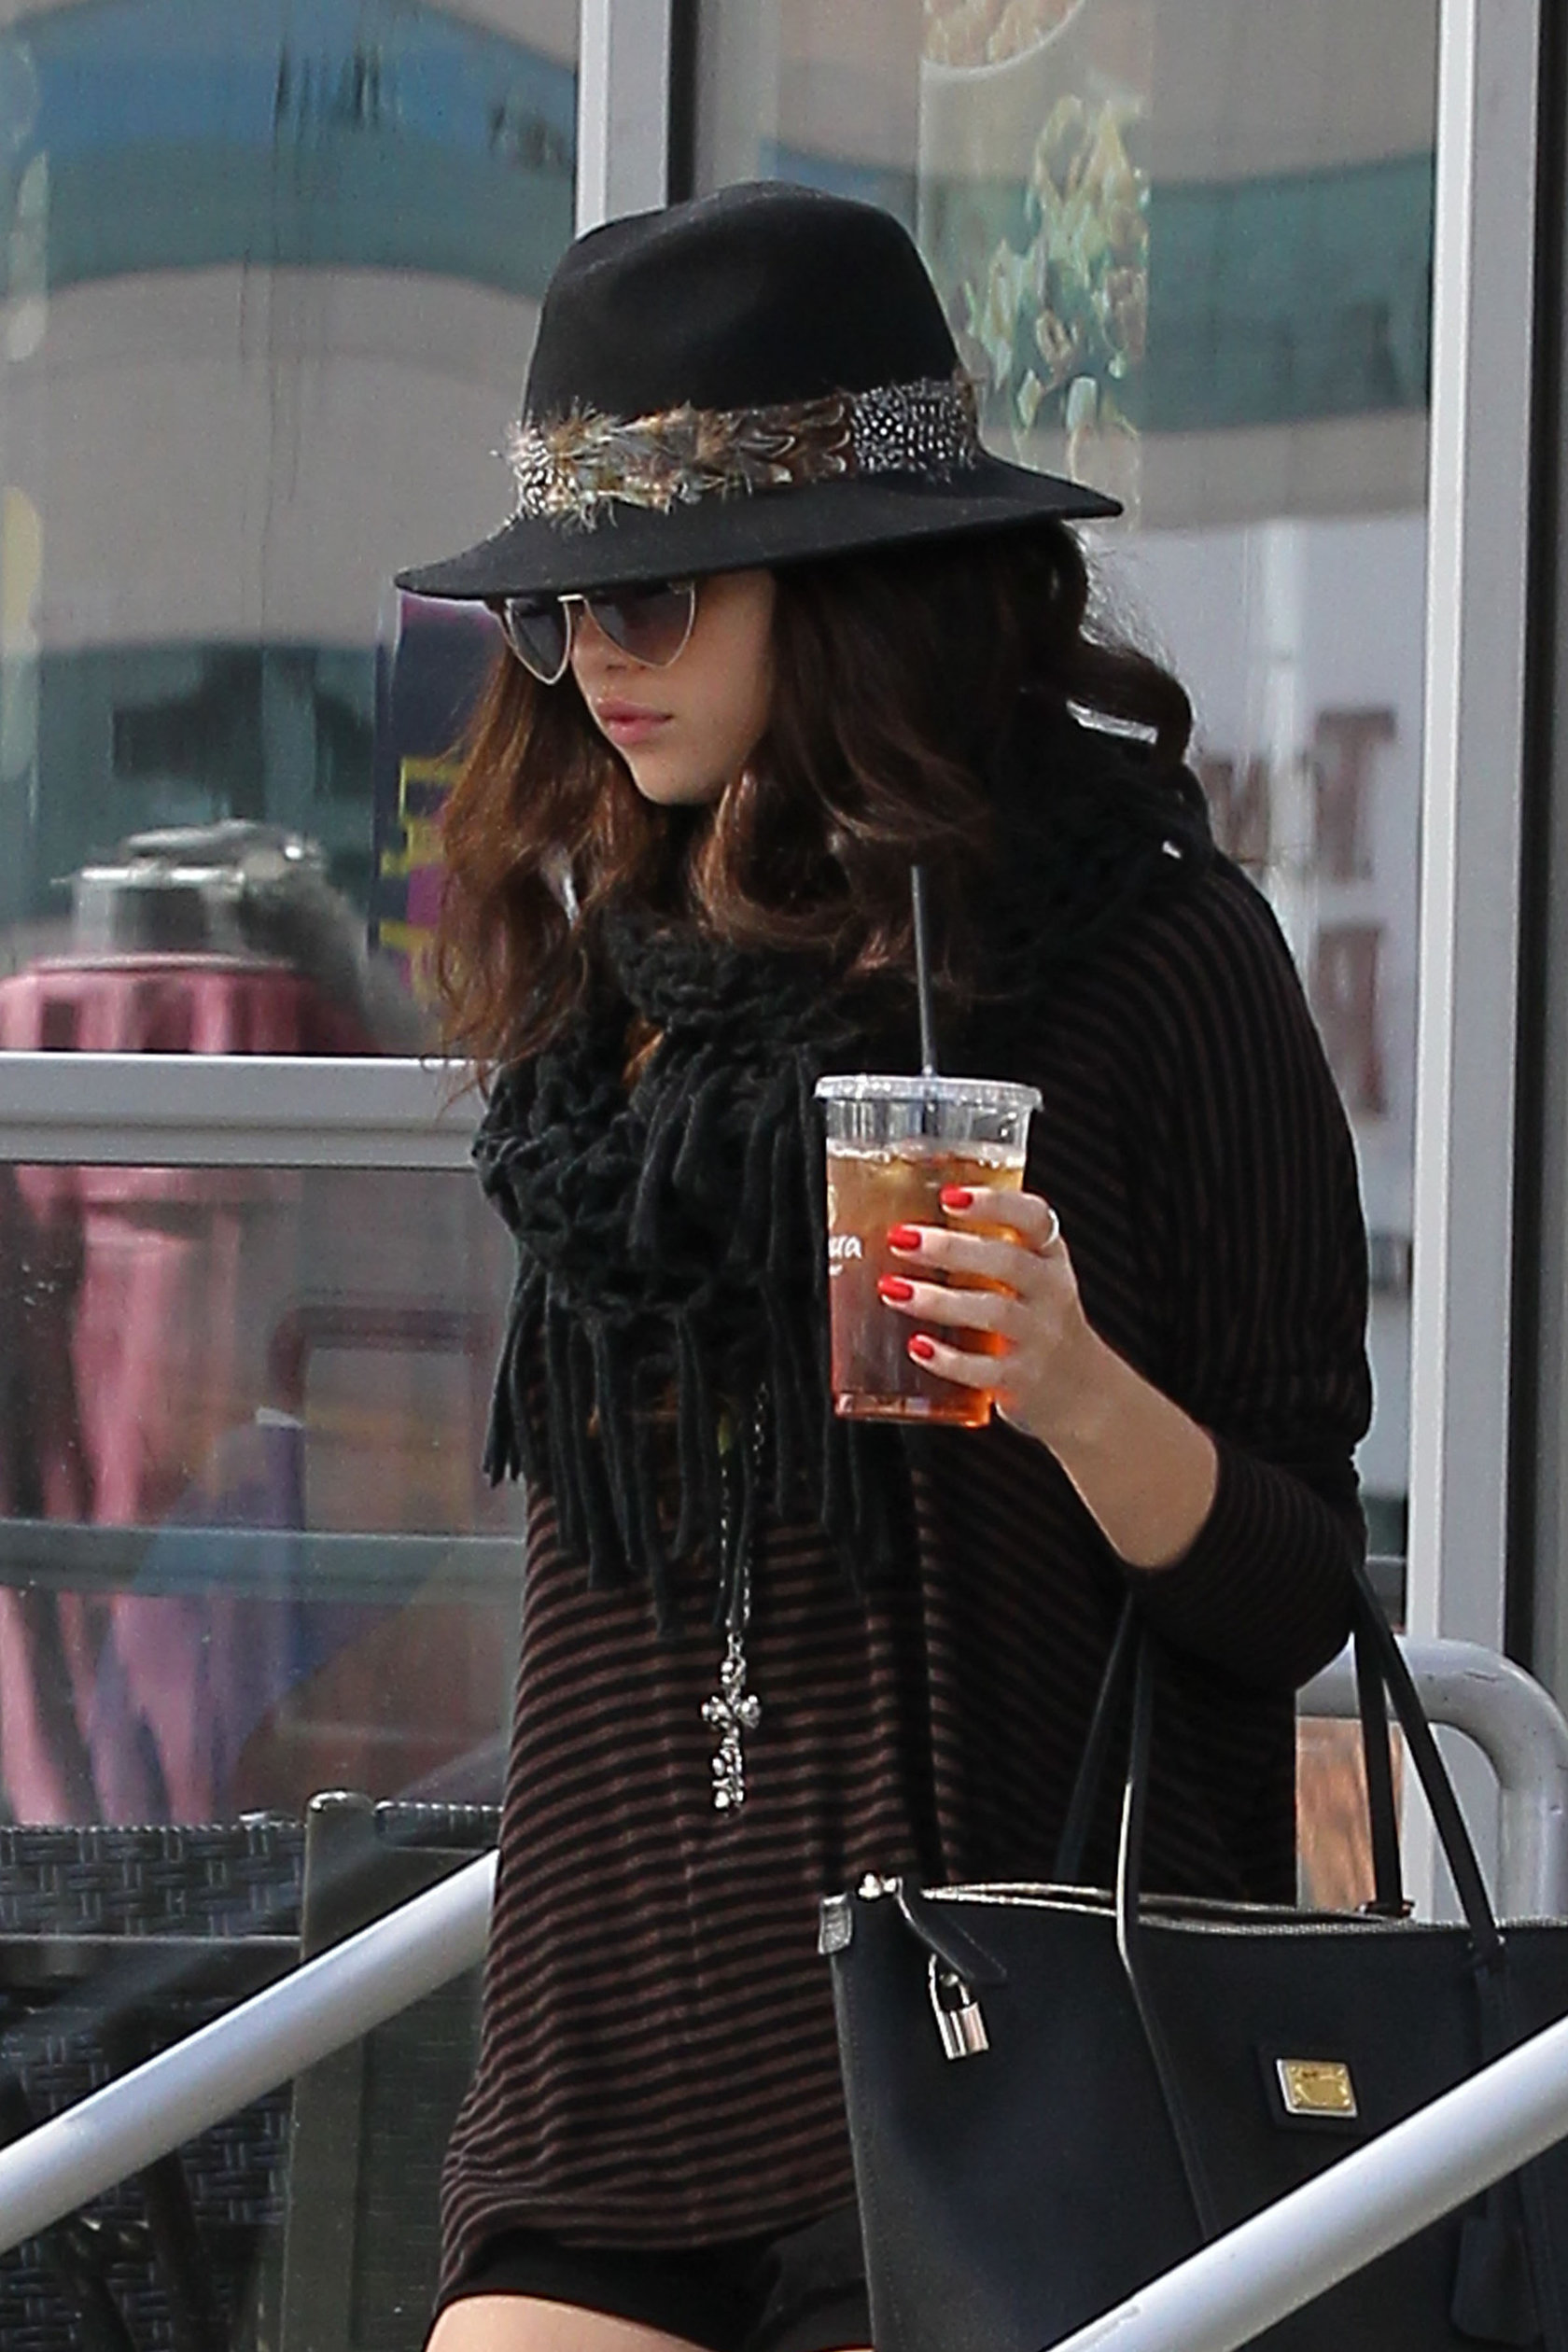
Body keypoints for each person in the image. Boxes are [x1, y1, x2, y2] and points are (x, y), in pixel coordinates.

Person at [399, 183, 1371, 2352]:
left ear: (849, 582)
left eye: (651, 593)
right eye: (562, 619)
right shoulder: (616, 999)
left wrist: (1079, 1392)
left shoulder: (1146, 956)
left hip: (1002, 2057)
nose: (604, 663)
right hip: (615, 2058)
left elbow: (1297, 1585)